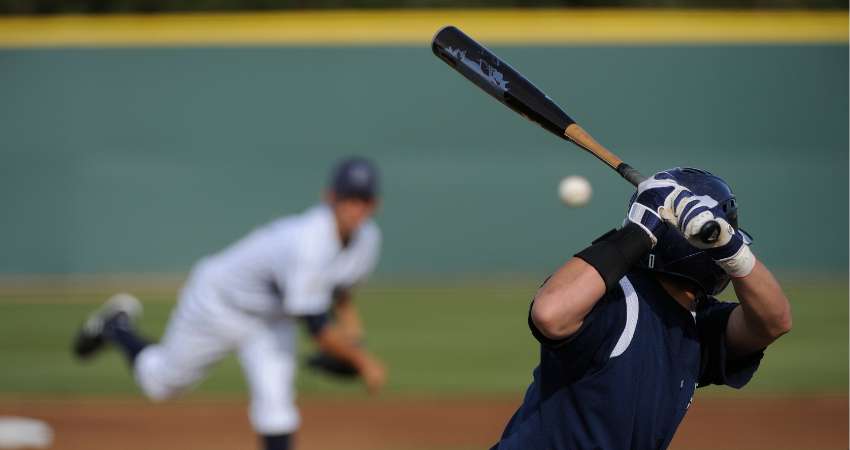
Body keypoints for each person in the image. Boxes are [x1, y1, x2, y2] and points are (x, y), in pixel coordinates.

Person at [73, 156, 386, 450]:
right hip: (218, 303)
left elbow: (341, 293)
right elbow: (316, 326)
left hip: (270, 321)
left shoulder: (368, 240)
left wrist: (354, 338)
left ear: (375, 204)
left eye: (363, 200)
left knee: (276, 406)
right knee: (161, 384)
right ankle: (117, 327)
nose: (354, 208)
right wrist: (362, 361)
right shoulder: (308, 241)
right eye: (348, 198)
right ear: (330, 197)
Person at [492, 167, 792, 450]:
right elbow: (550, 314)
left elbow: (774, 321)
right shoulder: (615, 297)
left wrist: (731, 249)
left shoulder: (697, 326)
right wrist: (640, 230)